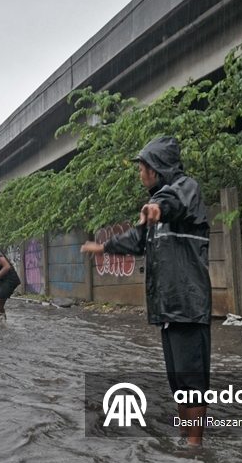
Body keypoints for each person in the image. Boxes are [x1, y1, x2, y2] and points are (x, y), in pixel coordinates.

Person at [80, 136, 211, 446]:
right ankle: (184, 438)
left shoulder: (186, 189)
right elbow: (136, 239)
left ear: (157, 168)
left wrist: (156, 207)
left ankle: (196, 449)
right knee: (178, 382)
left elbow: (172, 202)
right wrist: (103, 246)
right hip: (167, 308)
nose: (140, 174)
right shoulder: (156, 211)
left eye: (142, 168)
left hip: (189, 307)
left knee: (193, 383)